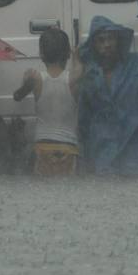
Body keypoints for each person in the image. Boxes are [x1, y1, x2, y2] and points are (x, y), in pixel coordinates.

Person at [76, 15, 138, 177]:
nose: (107, 44)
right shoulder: (90, 78)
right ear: (94, 46)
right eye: (101, 40)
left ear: (118, 41)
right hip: (104, 156)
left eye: (111, 38)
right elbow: (84, 119)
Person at [12, 27, 81, 177]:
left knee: (44, 193)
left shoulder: (36, 79)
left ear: (41, 54)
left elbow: (17, 96)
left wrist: (25, 82)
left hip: (42, 146)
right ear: (68, 53)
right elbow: (80, 69)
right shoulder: (73, 79)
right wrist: (77, 57)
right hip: (68, 147)